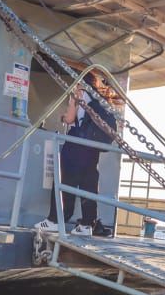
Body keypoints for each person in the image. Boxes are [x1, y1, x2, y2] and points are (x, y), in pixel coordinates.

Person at [40, 70, 115, 237]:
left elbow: (70, 118)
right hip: (91, 148)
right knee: (88, 185)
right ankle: (87, 225)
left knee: (64, 181)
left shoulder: (78, 94)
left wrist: (63, 117)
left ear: (80, 81)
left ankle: (55, 221)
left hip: (75, 144)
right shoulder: (98, 99)